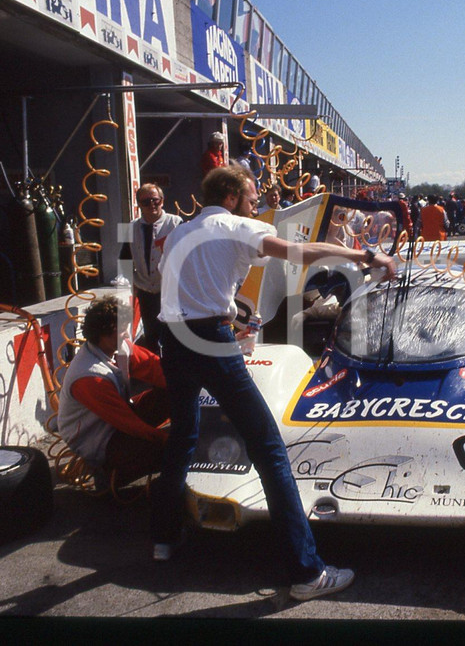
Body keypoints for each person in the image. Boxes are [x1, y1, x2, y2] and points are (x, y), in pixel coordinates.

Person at [153, 164, 396, 599]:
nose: (256, 205)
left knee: (182, 437)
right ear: (230, 196)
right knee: (269, 450)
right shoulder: (238, 224)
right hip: (210, 338)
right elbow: (298, 252)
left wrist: (225, 309)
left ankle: (164, 539)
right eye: (250, 198)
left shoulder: (177, 232)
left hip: (173, 340)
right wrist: (363, 256)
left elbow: (180, 284)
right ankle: (306, 573)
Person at [56, 296, 169, 487]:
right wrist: (167, 440)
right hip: (97, 440)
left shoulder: (119, 347)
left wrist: (198, 382)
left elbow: (157, 368)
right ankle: (110, 474)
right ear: (101, 335)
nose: (126, 335)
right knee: (168, 450)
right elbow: (129, 424)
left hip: (115, 423)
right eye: (119, 331)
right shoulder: (89, 376)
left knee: (177, 390)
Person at [131, 183, 181, 352]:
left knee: (173, 336)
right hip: (146, 292)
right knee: (151, 336)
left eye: (155, 200)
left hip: (170, 292)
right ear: (139, 205)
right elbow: (123, 262)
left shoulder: (176, 223)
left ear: (162, 201)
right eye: (145, 202)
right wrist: (130, 290)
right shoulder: (128, 227)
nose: (151, 204)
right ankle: (155, 373)